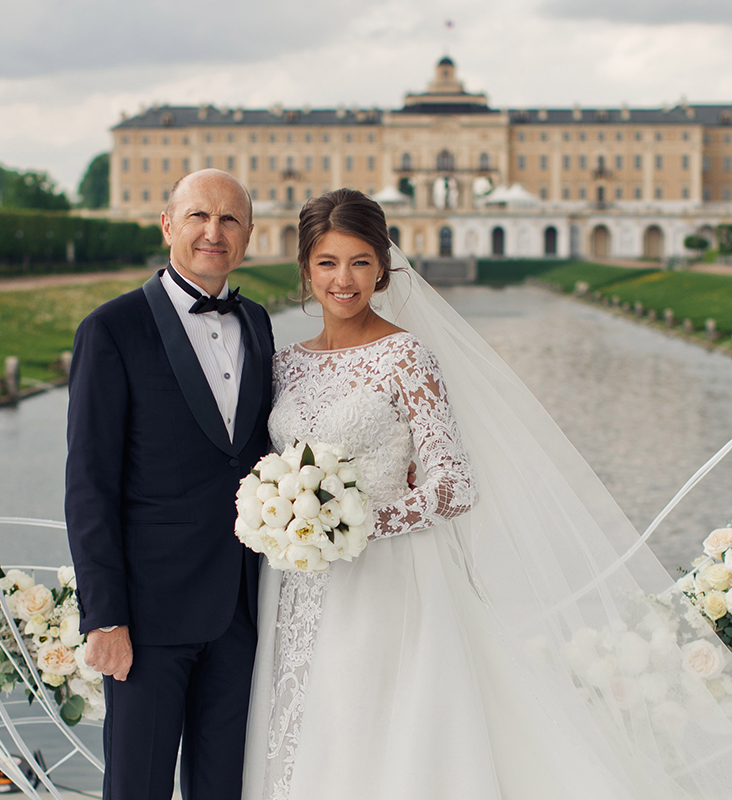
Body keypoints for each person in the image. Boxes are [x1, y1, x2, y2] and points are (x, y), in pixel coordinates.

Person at [242, 189, 732, 799]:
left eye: (361, 262)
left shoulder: (406, 355)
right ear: (305, 267)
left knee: (367, 723)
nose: (344, 279)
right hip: (294, 581)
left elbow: (453, 484)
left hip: (384, 579)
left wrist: (352, 520)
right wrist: (279, 512)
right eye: (328, 262)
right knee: (295, 723)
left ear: (383, 267)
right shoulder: (285, 363)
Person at [65, 168, 274, 800]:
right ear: (168, 225)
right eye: (199, 217)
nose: (215, 232)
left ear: (248, 235)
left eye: (230, 219)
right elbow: (88, 483)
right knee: (139, 787)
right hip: (147, 618)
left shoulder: (260, 323)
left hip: (240, 607)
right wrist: (105, 616)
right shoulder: (112, 329)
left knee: (224, 788)